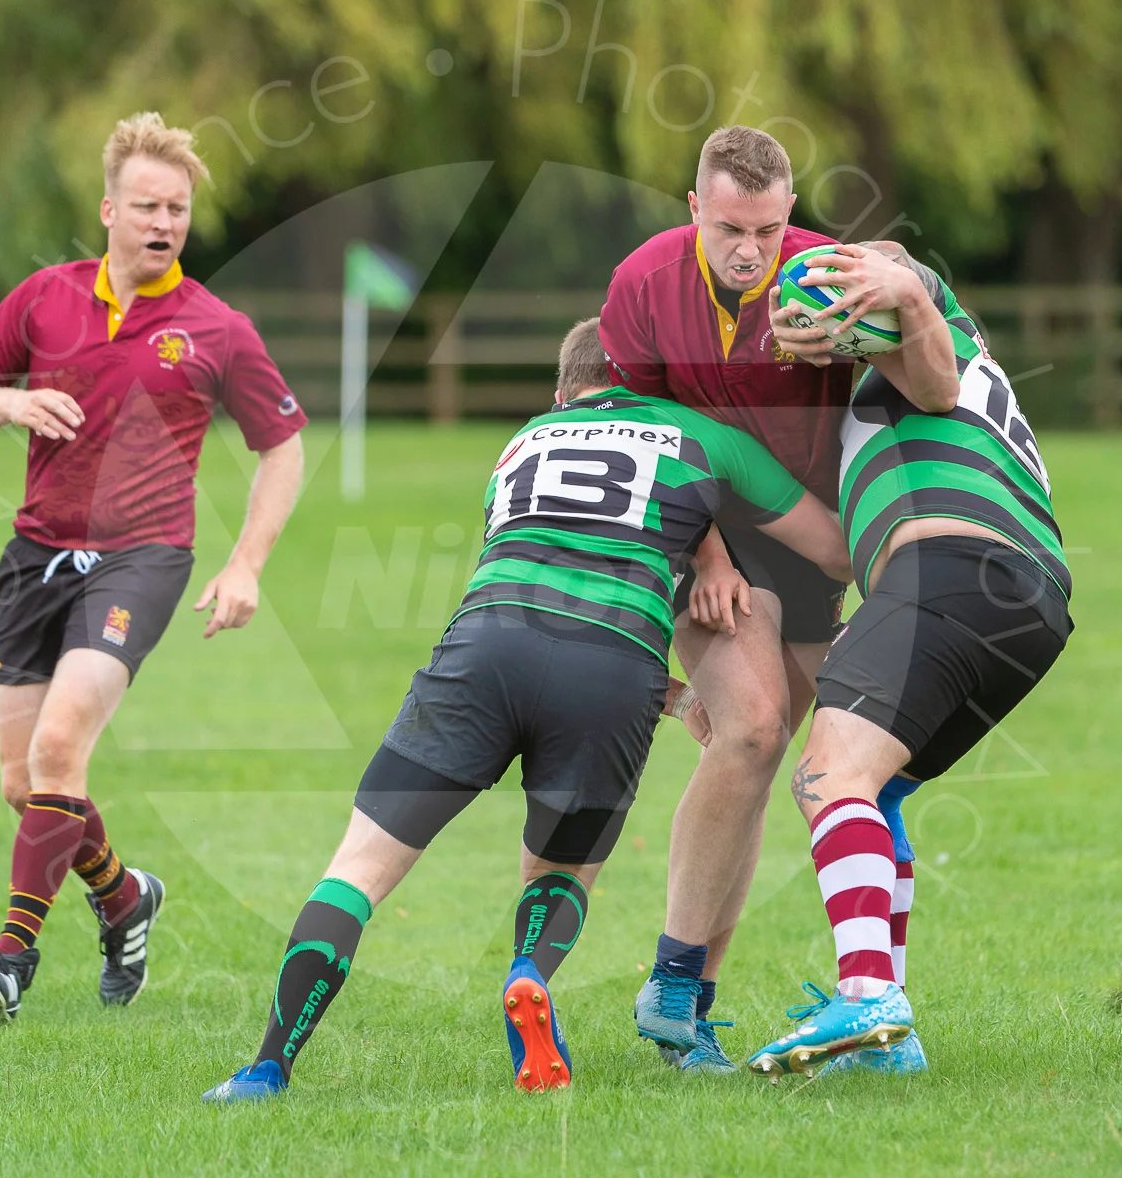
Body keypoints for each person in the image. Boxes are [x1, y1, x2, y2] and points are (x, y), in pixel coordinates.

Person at [201, 318, 851, 1103]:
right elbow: (834, 548)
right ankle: (529, 972)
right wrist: (723, 565)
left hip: (484, 650)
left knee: (359, 867)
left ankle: (267, 1066)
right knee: (560, 868)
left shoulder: (522, 445)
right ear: (643, 383)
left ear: (561, 391)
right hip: (612, 673)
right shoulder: (698, 434)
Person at [0, 112, 306, 1022]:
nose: (164, 222)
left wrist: (246, 564)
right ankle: (123, 898)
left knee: (61, 747)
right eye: (146, 204)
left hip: (141, 561)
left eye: (177, 208)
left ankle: (12, 958)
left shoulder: (217, 330)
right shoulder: (43, 298)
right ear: (108, 209)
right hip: (32, 558)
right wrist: (14, 406)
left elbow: (284, 448)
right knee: (28, 784)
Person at [707, 243, 1073, 1076]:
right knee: (880, 787)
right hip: (1027, 603)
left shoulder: (927, 340)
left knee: (827, 777)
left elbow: (926, 351)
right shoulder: (894, 384)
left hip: (950, 569)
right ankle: (888, 1042)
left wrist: (900, 286)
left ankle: (870, 993)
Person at [598, 125, 872, 1072]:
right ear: (694, 210)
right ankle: (672, 984)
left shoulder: (832, 279)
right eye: (727, 228)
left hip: (809, 533)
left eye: (765, 228)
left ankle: (690, 1005)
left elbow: (915, 374)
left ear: (789, 214)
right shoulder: (640, 284)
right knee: (752, 731)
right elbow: (641, 430)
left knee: (755, 760)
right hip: (701, 528)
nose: (748, 250)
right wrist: (708, 553)